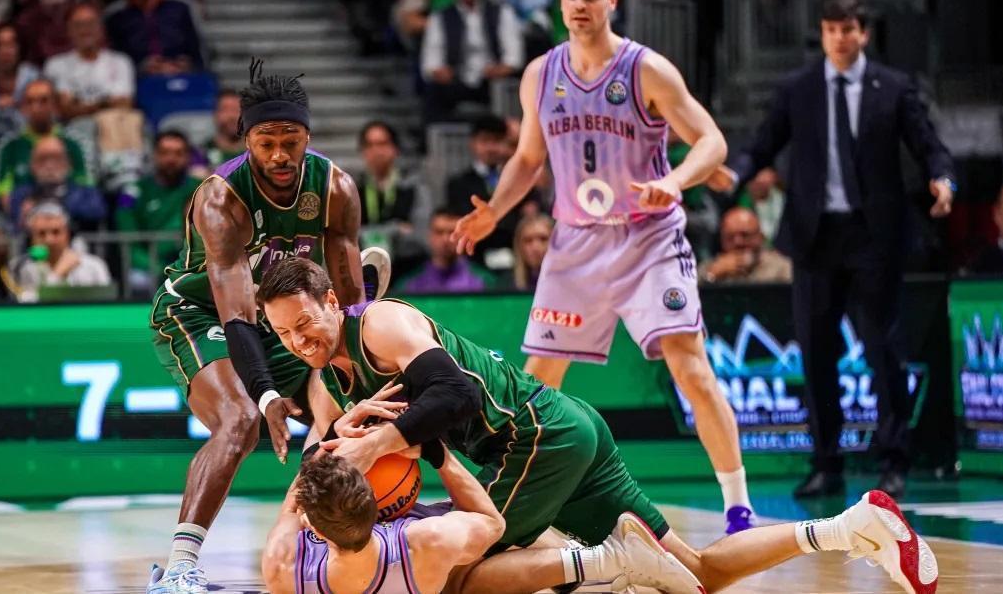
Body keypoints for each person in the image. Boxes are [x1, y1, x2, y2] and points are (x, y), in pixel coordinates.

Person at [256, 257, 940, 594]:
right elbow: (321, 468)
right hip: (571, 432)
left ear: (332, 302)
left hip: (537, 436)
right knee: (697, 576)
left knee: (459, 576)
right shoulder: (328, 380)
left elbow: (457, 394)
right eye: (284, 335)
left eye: (305, 321)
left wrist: (380, 438)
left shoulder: (382, 323)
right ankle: (852, 527)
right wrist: (336, 434)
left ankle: (604, 562)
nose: (299, 340)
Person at [451, 0, 755, 533]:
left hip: (647, 239)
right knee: (536, 383)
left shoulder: (647, 70)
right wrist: (495, 210)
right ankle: (523, 508)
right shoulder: (541, 73)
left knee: (690, 369)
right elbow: (527, 159)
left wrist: (675, 180)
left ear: (612, 0)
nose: (580, 5)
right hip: (576, 243)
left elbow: (711, 140)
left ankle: (738, 505)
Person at [143, 61, 390, 594]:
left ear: (308, 138)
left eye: (290, 141)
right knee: (239, 420)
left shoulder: (336, 188)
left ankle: (333, 544)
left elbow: (346, 309)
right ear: (246, 140)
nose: (279, 155)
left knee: (347, 405)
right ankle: (179, 568)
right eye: (265, 143)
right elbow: (236, 315)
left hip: (278, 316)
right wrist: (269, 393)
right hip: (198, 313)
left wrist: (360, 354)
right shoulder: (220, 198)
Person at [713, 0, 956, 500]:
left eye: (848, 29)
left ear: (863, 33)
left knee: (884, 349)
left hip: (874, 236)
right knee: (816, 354)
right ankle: (827, 462)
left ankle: (894, 461)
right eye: (830, 29)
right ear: (822, 35)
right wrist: (735, 170)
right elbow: (764, 142)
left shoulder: (892, 87)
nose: (839, 38)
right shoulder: (797, 88)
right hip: (815, 236)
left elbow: (928, 143)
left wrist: (943, 178)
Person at [258, 444, 507, 594]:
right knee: (532, 541)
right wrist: (438, 453)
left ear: (313, 528)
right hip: (424, 568)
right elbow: (494, 525)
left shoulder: (282, 565)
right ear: (374, 499)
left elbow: (290, 512)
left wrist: (329, 437)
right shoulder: (428, 540)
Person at [446, 114, 539, 270]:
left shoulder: (520, 179)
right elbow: (463, 220)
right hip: (475, 257)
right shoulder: (458, 183)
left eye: (496, 141)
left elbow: (529, 215)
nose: (491, 148)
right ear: (473, 143)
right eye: (485, 141)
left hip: (516, 255)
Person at [115, 130, 201, 296]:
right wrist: (160, 269)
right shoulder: (132, 193)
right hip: (150, 266)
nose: (171, 159)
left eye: (178, 153)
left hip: (192, 265)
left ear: (188, 157)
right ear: (154, 155)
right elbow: (129, 244)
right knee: (138, 280)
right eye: (164, 153)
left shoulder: (202, 188)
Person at [0, 78, 94, 209]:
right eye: (30, 102)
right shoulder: (8, 145)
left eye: (43, 101)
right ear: (23, 108)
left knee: (124, 200)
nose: (36, 108)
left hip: (70, 217)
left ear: (55, 105)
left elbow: (87, 189)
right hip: (22, 219)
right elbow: (1, 192)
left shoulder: (75, 143)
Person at [353, 120, 430, 276]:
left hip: (408, 270)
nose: (376, 151)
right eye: (369, 145)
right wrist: (396, 229)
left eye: (382, 144)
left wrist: (370, 233)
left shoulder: (414, 187)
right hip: (364, 272)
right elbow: (347, 237)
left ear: (395, 149)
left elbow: (421, 236)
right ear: (363, 151)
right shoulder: (352, 188)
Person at [44, 2, 137, 121]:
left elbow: (124, 104)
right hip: (73, 129)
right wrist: (105, 103)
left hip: (114, 126)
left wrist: (80, 103)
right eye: (78, 25)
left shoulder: (121, 62)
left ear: (101, 28)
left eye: (90, 24)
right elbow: (64, 109)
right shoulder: (56, 65)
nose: (85, 30)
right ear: (68, 30)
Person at [10, 200, 112, 302]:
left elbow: (108, 306)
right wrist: (57, 275)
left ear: (68, 234)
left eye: (56, 232)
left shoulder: (93, 266)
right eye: (41, 234)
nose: (49, 240)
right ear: (31, 238)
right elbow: (25, 306)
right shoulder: (20, 268)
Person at [8, 135, 107, 229]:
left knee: (122, 200)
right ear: (32, 165)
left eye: (56, 158)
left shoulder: (86, 193)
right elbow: (15, 225)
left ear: (68, 164)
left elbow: (98, 212)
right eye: (42, 159)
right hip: (32, 245)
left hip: (77, 244)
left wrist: (58, 203)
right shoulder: (20, 194)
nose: (49, 166)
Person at [396, 208, 496, 294]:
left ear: (464, 236)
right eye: (439, 232)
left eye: (453, 232)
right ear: (429, 236)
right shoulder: (409, 284)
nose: (446, 239)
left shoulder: (484, 282)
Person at [697, 207, 792, 284]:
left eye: (745, 235)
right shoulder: (709, 267)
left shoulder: (782, 268)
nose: (738, 242)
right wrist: (712, 275)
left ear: (760, 237)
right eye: (730, 237)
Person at [193, 89, 244, 173]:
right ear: (215, 115)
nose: (231, 116)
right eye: (225, 110)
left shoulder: (255, 152)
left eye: (236, 110)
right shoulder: (201, 153)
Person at [511, 213, 551, 291]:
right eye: (528, 240)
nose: (536, 247)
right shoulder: (505, 285)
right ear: (519, 246)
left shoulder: (572, 282)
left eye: (543, 239)